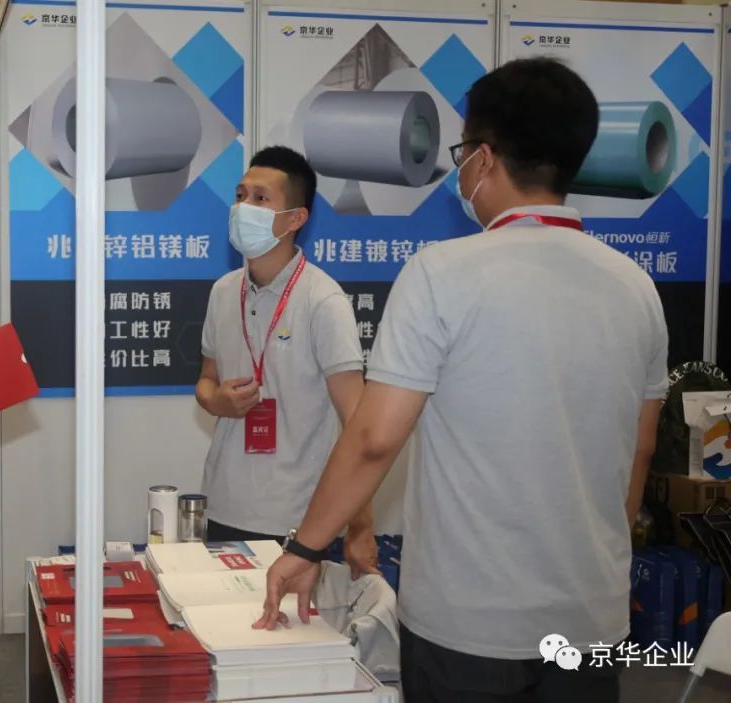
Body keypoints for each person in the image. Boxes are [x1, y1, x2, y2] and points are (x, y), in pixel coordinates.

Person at [255, 58, 668, 703]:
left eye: (463, 151)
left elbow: (375, 438)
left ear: (484, 157)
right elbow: (640, 449)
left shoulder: (441, 273)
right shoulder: (636, 287)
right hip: (590, 617)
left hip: (468, 621)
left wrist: (305, 549)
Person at [195, 146, 369, 557]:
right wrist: (217, 401)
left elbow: (358, 423)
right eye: (240, 196)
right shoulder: (223, 291)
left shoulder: (323, 299)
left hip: (299, 518)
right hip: (223, 506)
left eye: (261, 199)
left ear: (296, 219)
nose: (244, 208)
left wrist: (361, 524)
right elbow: (205, 381)